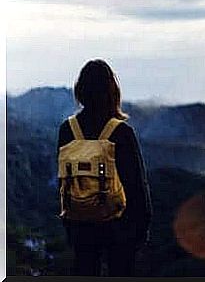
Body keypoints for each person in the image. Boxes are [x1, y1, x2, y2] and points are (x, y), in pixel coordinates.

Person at [56, 59, 152, 276]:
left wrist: (68, 224)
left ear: (80, 90)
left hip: (80, 225)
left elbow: (63, 182)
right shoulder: (121, 132)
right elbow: (137, 186)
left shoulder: (67, 130)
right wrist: (141, 231)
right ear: (112, 91)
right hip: (119, 227)